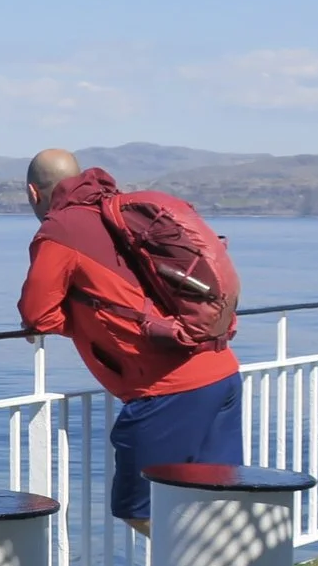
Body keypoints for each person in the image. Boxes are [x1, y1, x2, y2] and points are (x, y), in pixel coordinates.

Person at [17, 148, 240, 535]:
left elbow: (38, 314)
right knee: (211, 500)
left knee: (140, 510)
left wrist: (84, 323)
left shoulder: (61, 229)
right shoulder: (120, 211)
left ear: (34, 194)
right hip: (221, 372)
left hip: (168, 391)